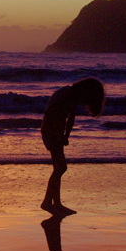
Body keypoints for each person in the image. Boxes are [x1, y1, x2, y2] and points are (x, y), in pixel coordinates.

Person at [40, 77, 105, 215]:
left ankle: (56, 203)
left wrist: (66, 136)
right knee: (61, 167)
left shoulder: (72, 95)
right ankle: (47, 202)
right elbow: (49, 113)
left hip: (57, 132)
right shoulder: (66, 93)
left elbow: (71, 118)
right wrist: (55, 135)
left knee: (59, 168)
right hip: (51, 132)